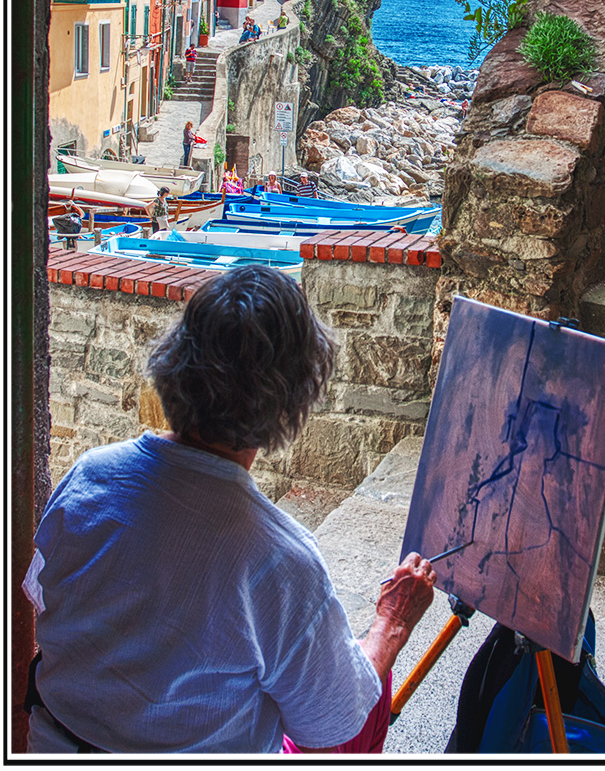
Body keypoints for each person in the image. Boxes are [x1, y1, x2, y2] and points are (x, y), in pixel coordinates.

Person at [22, 267, 436, 753]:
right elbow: (331, 726)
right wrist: (391, 624)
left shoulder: (90, 475)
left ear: (174, 362)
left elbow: (42, 597)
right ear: (290, 404)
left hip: (50, 747)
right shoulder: (279, 560)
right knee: (361, 697)